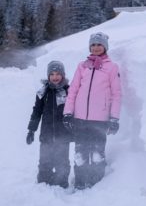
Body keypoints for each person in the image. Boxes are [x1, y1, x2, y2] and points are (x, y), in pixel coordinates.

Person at [63, 32, 121, 190]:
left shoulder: (111, 67)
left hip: (100, 120)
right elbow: (73, 90)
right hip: (80, 118)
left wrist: (114, 118)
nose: (96, 47)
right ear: (90, 47)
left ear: (105, 47)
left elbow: (116, 94)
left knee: (96, 154)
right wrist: (68, 113)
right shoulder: (82, 66)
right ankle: (81, 183)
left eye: (99, 44)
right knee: (80, 153)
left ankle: (96, 186)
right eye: (93, 44)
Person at [26, 60, 72, 188]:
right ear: (48, 76)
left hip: (63, 135)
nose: (55, 77)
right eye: (52, 74)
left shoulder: (68, 91)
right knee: (45, 160)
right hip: (46, 134)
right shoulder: (43, 92)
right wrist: (31, 130)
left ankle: (62, 183)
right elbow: (36, 112)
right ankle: (44, 183)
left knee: (62, 160)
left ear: (63, 75)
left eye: (58, 74)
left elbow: (74, 112)